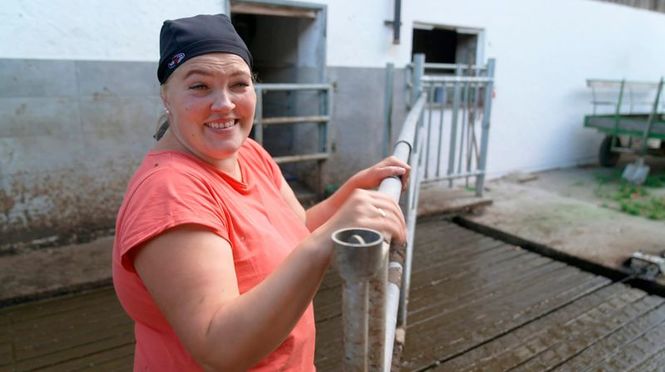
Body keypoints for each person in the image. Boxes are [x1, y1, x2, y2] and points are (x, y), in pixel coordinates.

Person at [112, 13, 409, 371]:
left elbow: (297, 226)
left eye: (238, 84)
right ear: (166, 97)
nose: (224, 104)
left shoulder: (248, 153)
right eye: (199, 86)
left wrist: (352, 191)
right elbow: (219, 346)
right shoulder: (170, 192)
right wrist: (328, 238)